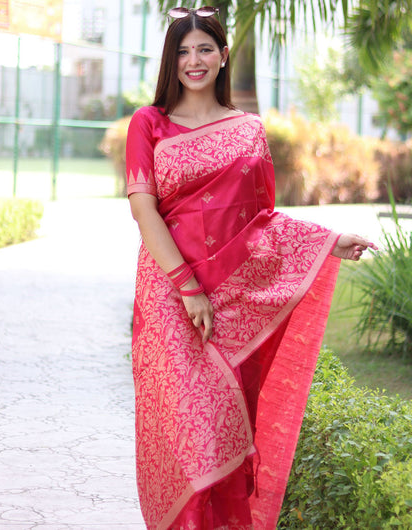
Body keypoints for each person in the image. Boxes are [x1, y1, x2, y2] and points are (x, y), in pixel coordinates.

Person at [125, 6, 377, 529]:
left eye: (204, 49)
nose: (194, 61)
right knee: (190, 434)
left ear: (222, 57)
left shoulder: (248, 130)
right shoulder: (150, 124)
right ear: (170, 62)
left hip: (231, 296)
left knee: (221, 434)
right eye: (183, 51)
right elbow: (143, 208)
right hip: (169, 295)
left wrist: (329, 241)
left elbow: (262, 221)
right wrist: (186, 285)